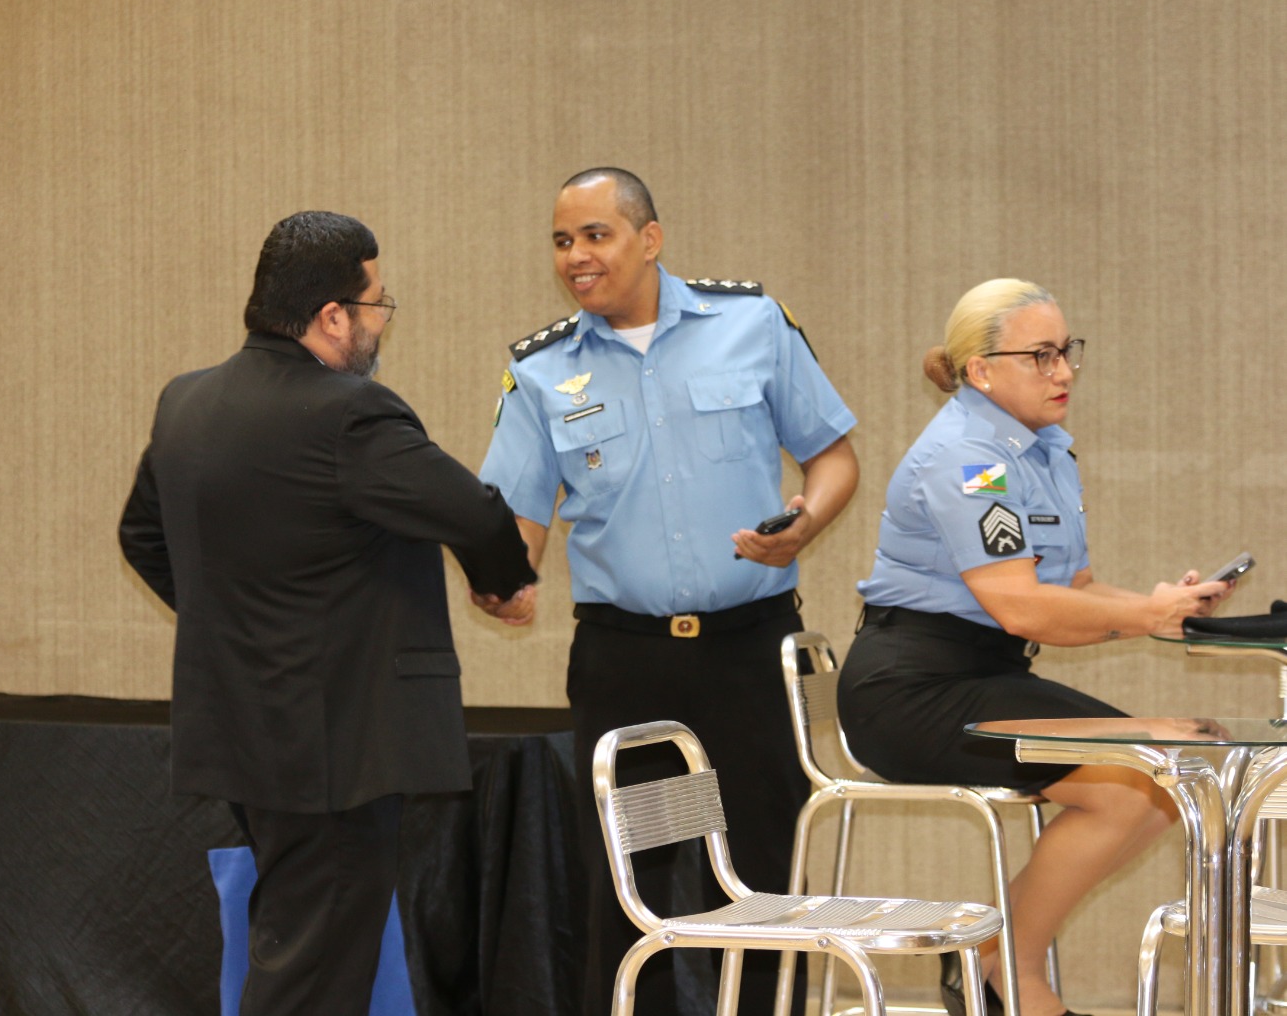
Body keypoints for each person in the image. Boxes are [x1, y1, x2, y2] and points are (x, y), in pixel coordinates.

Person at [119, 210, 537, 1016]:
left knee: (294, 941)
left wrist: (236, 622)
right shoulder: (348, 413)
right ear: (332, 315)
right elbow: (474, 512)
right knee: (312, 977)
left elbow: (142, 537)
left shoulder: (186, 403)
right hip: (336, 746)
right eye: (378, 304)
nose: (381, 324)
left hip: (242, 729)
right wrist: (501, 583)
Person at [477, 168, 859, 1015]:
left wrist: (806, 521)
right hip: (631, 670)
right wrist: (501, 584)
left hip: (749, 655)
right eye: (560, 240)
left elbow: (832, 458)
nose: (576, 257)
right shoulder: (543, 374)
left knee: (766, 881)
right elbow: (516, 529)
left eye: (594, 235)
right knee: (634, 889)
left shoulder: (750, 325)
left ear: (649, 239)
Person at [835, 278, 1231, 1016]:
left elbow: (1074, 584)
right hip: (911, 690)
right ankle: (1008, 975)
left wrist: (1164, 609)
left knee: (1160, 779)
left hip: (981, 673)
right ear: (981, 370)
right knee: (1135, 780)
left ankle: (994, 962)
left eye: (1066, 352)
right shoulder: (967, 457)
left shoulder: (1041, 451)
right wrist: (1143, 617)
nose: (1062, 372)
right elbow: (1018, 606)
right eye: (1040, 355)